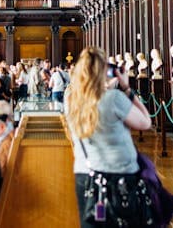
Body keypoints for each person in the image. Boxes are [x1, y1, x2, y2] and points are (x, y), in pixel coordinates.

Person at [65, 47, 153, 226]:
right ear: (104, 71)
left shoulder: (71, 99)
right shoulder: (113, 98)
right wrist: (127, 89)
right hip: (118, 176)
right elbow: (145, 122)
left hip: (86, 175)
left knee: (94, 221)